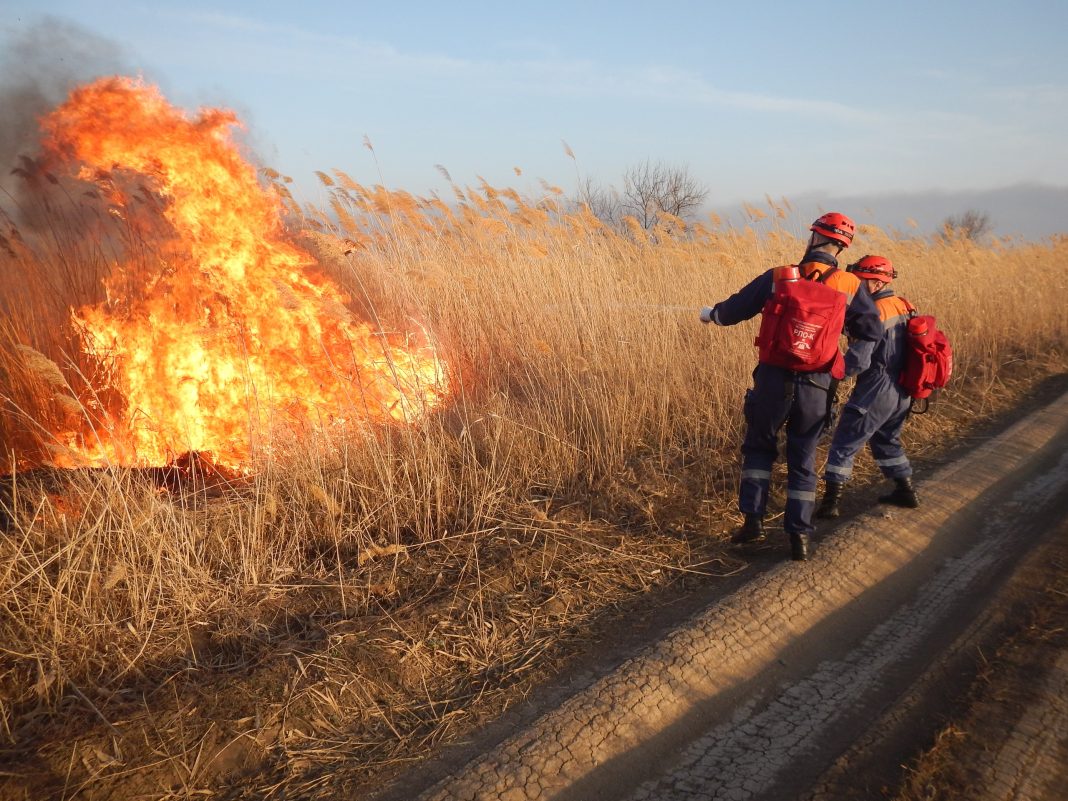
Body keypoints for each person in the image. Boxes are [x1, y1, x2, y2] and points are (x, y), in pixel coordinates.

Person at [700, 213, 882, 560]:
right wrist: (842, 369)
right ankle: (798, 536)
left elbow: (732, 312)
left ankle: (752, 523)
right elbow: (871, 334)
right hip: (818, 383)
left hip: (773, 378)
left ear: (813, 238)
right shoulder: (849, 285)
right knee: (803, 457)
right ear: (843, 247)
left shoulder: (781, 276)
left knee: (758, 449)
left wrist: (711, 314)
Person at [816, 254, 919, 518]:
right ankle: (905, 490)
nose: (855, 287)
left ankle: (830, 503)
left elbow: (860, 361)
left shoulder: (874, 313)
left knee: (844, 442)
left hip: (877, 387)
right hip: (903, 389)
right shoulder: (904, 305)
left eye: (860, 281)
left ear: (875, 282)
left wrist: (831, 373)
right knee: (886, 437)